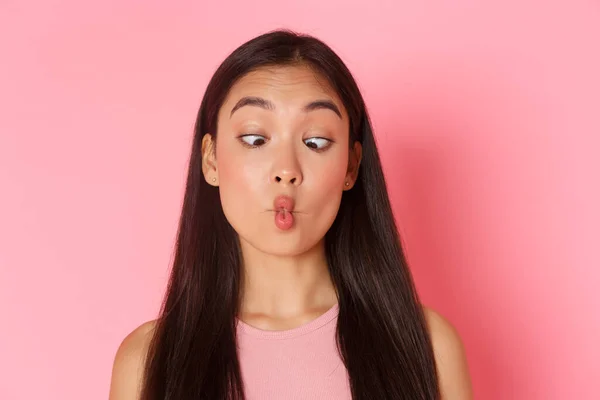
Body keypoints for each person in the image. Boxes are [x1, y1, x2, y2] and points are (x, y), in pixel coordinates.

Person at [108, 29, 472, 400]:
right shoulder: (147, 362)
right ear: (211, 158)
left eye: (315, 142)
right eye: (255, 139)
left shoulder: (428, 348)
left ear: (351, 165)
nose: (286, 169)